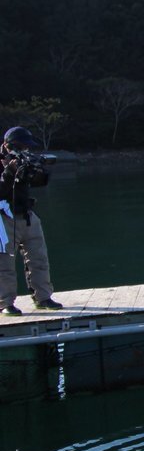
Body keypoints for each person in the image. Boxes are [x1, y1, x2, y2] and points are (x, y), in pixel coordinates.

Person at [1, 126, 62, 314]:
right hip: (3, 217)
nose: (24, 150)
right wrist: (9, 172)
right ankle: (5, 303)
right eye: (21, 146)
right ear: (8, 145)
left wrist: (38, 169)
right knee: (4, 264)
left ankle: (43, 297)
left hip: (27, 215)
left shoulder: (23, 160)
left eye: (26, 147)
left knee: (39, 258)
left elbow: (40, 182)